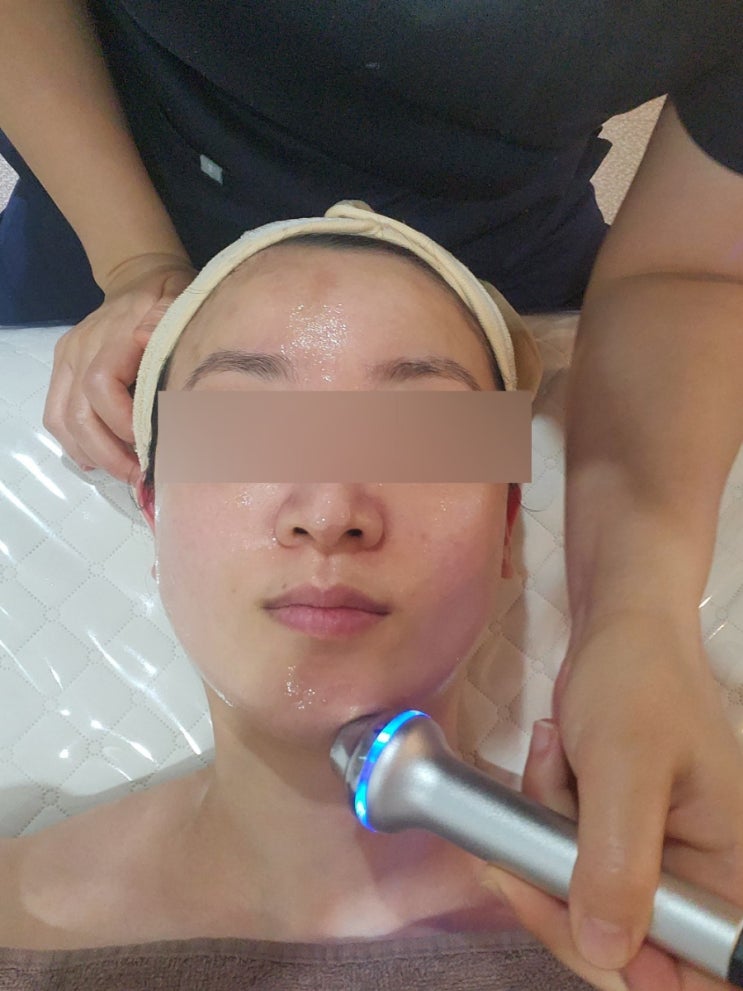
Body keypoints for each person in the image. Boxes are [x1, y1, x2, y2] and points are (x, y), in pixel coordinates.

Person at [1, 3, 742, 984]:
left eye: (418, 433)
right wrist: (137, 264)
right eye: (246, 427)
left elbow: (694, 269)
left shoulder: (682, 932)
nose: (330, 510)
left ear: (509, 524)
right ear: (152, 503)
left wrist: (638, 615)